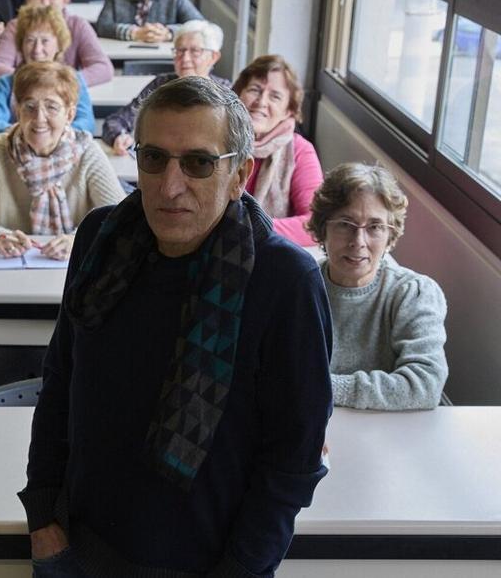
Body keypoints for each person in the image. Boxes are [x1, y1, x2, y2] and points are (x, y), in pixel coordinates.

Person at [22, 76, 332, 577]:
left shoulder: (284, 281)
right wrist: (41, 513)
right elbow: (61, 376)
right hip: (76, 546)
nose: (170, 185)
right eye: (154, 158)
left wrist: (240, 570)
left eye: (199, 163)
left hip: (204, 564)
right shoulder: (101, 237)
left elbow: (292, 460)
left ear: (239, 175)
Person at [307, 163, 448, 410]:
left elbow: (425, 385)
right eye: (345, 224)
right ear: (323, 228)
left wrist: (323, 388)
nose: (358, 241)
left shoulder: (413, 294)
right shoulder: (298, 287)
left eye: (375, 227)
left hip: (390, 435)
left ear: (390, 236)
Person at [0, 62, 125, 260]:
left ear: (69, 114)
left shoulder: (87, 151)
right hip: (8, 266)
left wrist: (77, 240)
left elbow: (119, 216)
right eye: (30, 107)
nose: (39, 118)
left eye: (52, 107)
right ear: (18, 110)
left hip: (71, 267)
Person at [101, 19, 229, 155]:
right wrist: (119, 137)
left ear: (213, 57)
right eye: (180, 51)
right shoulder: (161, 85)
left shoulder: (227, 92)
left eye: (195, 51)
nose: (185, 58)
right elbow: (116, 121)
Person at [233, 54, 322, 246]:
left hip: (266, 252)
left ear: (289, 110)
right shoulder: (214, 137)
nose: (261, 101)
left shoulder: (299, 151)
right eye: (255, 90)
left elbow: (316, 223)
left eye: (275, 96)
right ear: (239, 94)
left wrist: (248, 228)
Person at [0, 4, 96, 138]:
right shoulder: (5, 83)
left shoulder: (74, 81)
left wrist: (49, 135)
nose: (37, 49)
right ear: (20, 44)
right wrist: (28, 134)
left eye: (45, 41)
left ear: (59, 44)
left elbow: (86, 124)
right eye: (30, 40)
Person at [0, 0, 114, 86]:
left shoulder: (78, 25)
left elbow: (103, 68)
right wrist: (34, 80)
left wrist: (60, 82)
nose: (45, 2)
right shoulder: (16, 26)